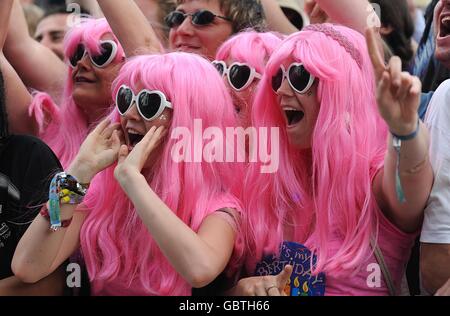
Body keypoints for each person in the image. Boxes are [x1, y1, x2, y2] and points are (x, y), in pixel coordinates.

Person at [13, 52, 244, 296]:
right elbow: (28, 267)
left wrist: (134, 181)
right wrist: (77, 175)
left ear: (189, 120)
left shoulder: (218, 206)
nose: (130, 114)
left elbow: (200, 269)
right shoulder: (100, 193)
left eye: (148, 103)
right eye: (125, 99)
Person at [229, 25, 432, 296]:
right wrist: (241, 292)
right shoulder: (267, 183)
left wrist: (404, 131)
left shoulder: (371, 184)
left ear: (340, 91)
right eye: (278, 77)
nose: (283, 90)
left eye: (300, 76)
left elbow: (410, 183)